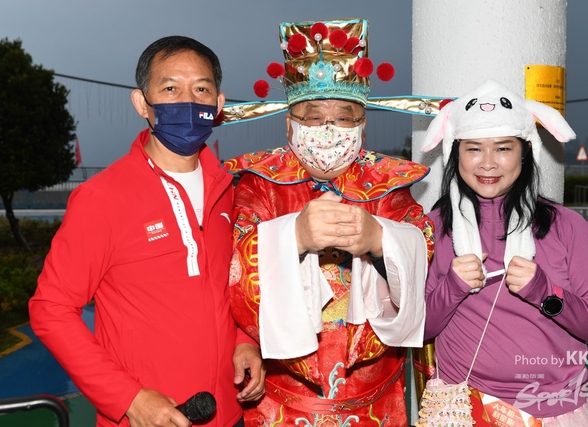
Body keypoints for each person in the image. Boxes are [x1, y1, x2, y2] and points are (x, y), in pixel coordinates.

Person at [29, 35, 265, 427]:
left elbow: (234, 284)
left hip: (229, 412)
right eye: (170, 89)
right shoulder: (102, 197)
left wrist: (245, 342)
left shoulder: (229, 191)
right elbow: (51, 309)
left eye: (201, 89)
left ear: (219, 104)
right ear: (142, 104)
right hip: (149, 417)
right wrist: (128, 398)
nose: (188, 101)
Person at [221, 18, 436, 426]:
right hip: (282, 401)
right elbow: (231, 265)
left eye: (344, 117)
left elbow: (424, 246)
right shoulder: (260, 184)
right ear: (289, 124)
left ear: (363, 126)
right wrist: (294, 236)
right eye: (313, 116)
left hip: (375, 401)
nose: (328, 130)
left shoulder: (386, 184)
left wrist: (381, 240)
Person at [419, 80, 588, 426]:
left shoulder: (567, 227)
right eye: (473, 149)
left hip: (555, 412)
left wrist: (547, 294)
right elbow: (417, 329)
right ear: (454, 152)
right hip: (462, 410)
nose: (488, 164)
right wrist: (452, 287)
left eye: (503, 148)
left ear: (525, 151)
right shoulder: (433, 227)